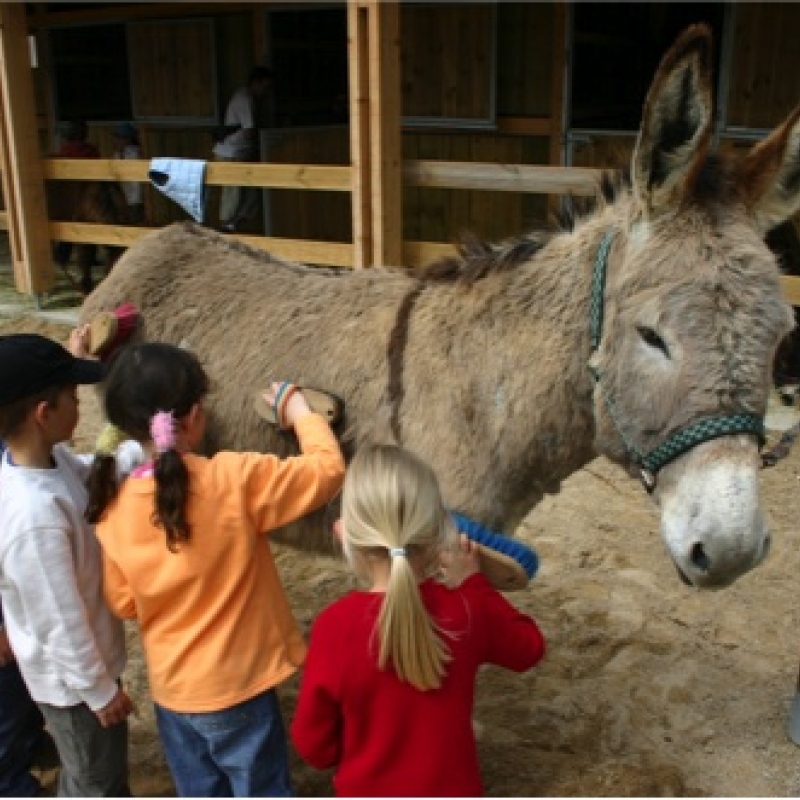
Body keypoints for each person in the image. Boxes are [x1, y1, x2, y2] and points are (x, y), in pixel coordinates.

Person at [85, 342, 345, 797]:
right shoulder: (232, 479)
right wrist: (302, 412)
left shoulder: (112, 509)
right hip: (240, 689)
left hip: (172, 695)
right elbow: (326, 471)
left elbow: (124, 602)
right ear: (196, 415)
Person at [290, 444, 546, 797]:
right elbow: (529, 647)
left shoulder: (334, 627)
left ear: (346, 535)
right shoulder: (466, 610)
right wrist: (474, 585)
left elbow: (314, 748)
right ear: (435, 536)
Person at [0, 331, 142, 797]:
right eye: (74, 398)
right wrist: (98, 690)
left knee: (97, 769)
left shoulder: (46, 461)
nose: (80, 407)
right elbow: (57, 621)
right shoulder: (33, 518)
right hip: (74, 685)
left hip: (88, 668)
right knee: (95, 781)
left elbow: (88, 473)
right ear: (45, 414)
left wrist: (137, 454)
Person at [212, 66, 273, 233]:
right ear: (256, 83)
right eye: (264, 87)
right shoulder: (244, 99)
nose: (265, 92)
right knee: (233, 192)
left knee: (250, 195)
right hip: (232, 152)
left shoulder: (246, 97)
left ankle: (233, 225)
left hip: (238, 152)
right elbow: (248, 131)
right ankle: (225, 227)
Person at [112, 122, 145, 225]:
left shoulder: (135, 153)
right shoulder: (116, 155)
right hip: (122, 198)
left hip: (135, 198)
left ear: (127, 140)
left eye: (118, 138)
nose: (115, 141)